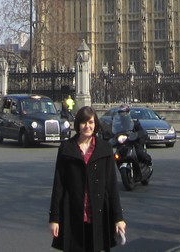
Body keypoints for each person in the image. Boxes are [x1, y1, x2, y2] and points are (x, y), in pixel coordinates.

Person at [49, 105, 126, 252]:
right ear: (78, 124)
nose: (87, 126)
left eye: (91, 122)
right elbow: (58, 185)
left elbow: (111, 186)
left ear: (95, 124)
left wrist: (118, 218)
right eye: (84, 122)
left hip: (97, 213)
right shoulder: (66, 149)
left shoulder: (104, 149)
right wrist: (54, 218)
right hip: (73, 213)